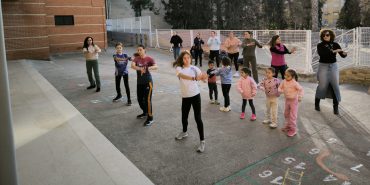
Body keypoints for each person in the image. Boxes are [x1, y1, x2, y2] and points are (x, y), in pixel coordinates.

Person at [173, 51, 208, 153]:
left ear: (191, 58)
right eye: (184, 58)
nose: (187, 59)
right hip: (185, 97)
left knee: (198, 118)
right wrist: (194, 78)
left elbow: (202, 78)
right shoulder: (179, 68)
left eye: (188, 57)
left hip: (195, 95)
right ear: (182, 59)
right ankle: (184, 132)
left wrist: (204, 78)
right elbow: (182, 76)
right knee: (184, 116)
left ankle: (202, 141)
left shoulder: (195, 68)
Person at [315, 29, 347, 115]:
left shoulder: (335, 44)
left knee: (335, 86)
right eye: (324, 35)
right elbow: (323, 54)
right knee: (322, 85)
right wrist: (334, 51)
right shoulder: (320, 45)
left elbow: (342, 55)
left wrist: (344, 53)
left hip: (333, 66)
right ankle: (317, 103)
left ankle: (335, 107)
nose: (325, 36)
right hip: (323, 66)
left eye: (327, 35)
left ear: (331, 35)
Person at [131, 45, 158, 126]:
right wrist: (140, 69)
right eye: (138, 50)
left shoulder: (149, 59)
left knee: (147, 100)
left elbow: (156, 66)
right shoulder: (136, 58)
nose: (139, 51)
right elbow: (132, 66)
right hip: (139, 82)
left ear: (144, 50)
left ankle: (150, 117)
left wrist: (148, 68)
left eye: (140, 50)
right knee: (139, 99)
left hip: (148, 82)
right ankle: (145, 112)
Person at [278, 68, 304, 137]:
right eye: (285, 75)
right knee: (286, 113)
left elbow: (301, 89)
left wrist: (300, 96)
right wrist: (281, 91)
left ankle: (293, 129)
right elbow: (279, 88)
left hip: (294, 101)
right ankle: (288, 126)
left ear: (292, 77)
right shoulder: (283, 81)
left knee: (293, 116)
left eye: (288, 76)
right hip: (287, 100)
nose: (285, 77)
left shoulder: (294, 83)